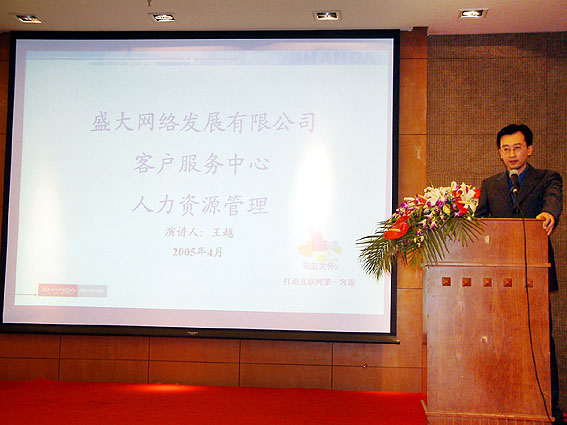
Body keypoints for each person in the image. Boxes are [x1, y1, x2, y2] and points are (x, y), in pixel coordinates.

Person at [475, 123, 564, 424]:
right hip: (499, 276)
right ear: (499, 153)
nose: (511, 154)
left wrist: (548, 214)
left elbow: (553, 201)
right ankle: (504, 402)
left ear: (530, 149)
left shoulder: (547, 178)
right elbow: (480, 224)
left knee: (541, 340)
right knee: (501, 340)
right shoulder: (490, 185)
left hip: (534, 273)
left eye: (517, 147)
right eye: (506, 149)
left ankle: (549, 406)